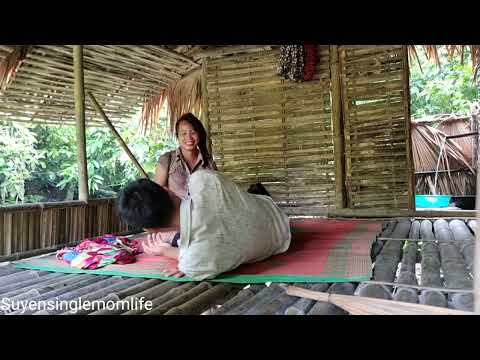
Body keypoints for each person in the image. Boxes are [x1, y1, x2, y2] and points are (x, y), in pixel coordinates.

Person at [116, 170, 291, 280]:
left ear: (150, 230)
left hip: (280, 242)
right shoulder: (203, 179)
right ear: (166, 189)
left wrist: (170, 252)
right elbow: (210, 221)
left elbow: (204, 249)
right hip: (273, 213)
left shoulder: (192, 262)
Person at [154, 113, 217, 200]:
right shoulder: (166, 160)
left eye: (193, 132)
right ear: (177, 136)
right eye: (183, 133)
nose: (189, 137)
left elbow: (216, 194)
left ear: (199, 134)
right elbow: (156, 195)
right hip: (176, 213)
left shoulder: (209, 163)